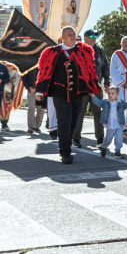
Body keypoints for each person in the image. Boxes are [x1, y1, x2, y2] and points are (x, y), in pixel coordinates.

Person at [35, 27, 100, 164]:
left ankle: (67, 146)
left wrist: (92, 87)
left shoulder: (83, 51)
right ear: (63, 37)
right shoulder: (52, 52)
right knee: (64, 121)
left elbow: (90, 70)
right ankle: (65, 152)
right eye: (69, 35)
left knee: (73, 122)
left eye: (74, 34)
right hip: (59, 93)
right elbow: (44, 71)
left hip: (77, 93)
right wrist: (40, 91)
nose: (72, 36)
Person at [74, 30, 110, 146]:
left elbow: (105, 67)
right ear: (85, 38)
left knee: (98, 113)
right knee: (80, 112)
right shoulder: (79, 50)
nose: (94, 38)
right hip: (83, 87)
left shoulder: (99, 51)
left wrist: (107, 82)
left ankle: (100, 139)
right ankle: (76, 138)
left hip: (96, 87)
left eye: (95, 36)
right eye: (91, 36)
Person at [91, 86, 127, 158]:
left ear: (117, 95)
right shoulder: (105, 103)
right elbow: (98, 102)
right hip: (110, 125)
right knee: (108, 139)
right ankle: (104, 147)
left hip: (119, 125)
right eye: (109, 93)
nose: (110, 95)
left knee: (119, 139)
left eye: (112, 93)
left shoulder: (121, 103)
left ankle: (117, 151)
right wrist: (93, 96)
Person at [110, 36, 127, 140]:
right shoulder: (116, 55)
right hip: (119, 86)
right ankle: (118, 129)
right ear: (121, 44)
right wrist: (122, 83)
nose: (126, 44)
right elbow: (113, 70)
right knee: (118, 107)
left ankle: (126, 129)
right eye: (124, 42)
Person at [0, 62, 24, 132]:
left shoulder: (14, 61)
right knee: (3, 104)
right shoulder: (1, 62)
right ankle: (3, 122)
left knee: (8, 103)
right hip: (3, 82)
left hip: (12, 80)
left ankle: (5, 122)